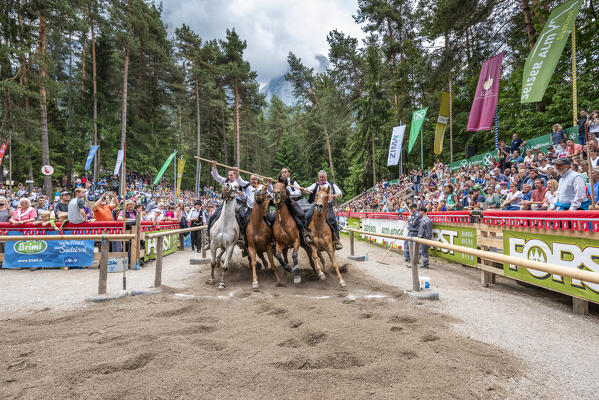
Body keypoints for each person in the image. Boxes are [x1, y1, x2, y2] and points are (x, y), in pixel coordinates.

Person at [203, 160, 243, 250]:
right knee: (213, 216)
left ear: (235, 175)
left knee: (242, 217)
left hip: (236, 203)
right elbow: (216, 176)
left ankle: (241, 237)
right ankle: (208, 240)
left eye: (231, 175)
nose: (230, 177)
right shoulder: (225, 181)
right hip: (225, 203)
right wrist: (214, 167)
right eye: (229, 175)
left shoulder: (239, 182)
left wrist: (240, 192)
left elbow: (244, 193)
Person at [269, 167, 312, 244]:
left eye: (285, 172)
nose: (283, 173)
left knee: (301, 214)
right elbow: (271, 191)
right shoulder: (277, 182)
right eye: (282, 172)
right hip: (280, 203)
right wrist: (269, 183)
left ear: (289, 173)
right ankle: (272, 237)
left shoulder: (293, 182)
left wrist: (289, 194)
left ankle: (305, 232)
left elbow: (299, 192)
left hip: (290, 202)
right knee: (271, 217)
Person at [305, 170, 343, 250]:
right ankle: (306, 234)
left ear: (326, 177)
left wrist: (335, 196)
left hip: (327, 206)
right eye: (320, 177)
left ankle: (336, 240)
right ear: (318, 178)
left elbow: (340, 194)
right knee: (307, 215)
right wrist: (303, 189)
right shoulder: (315, 185)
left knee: (332, 220)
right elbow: (307, 189)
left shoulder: (332, 185)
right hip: (317, 205)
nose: (321, 178)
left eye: (323, 177)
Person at [404, 203, 420, 268]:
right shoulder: (412, 214)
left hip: (414, 232)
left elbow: (413, 224)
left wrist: (409, 220)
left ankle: (412, 259)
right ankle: (407, 258)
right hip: (410, 231)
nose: (410, 209)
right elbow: (409, 222)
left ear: (415, 208)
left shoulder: (417, 215)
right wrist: (409, 219)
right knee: (406, 244)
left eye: (411, 208)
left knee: (412, 246)